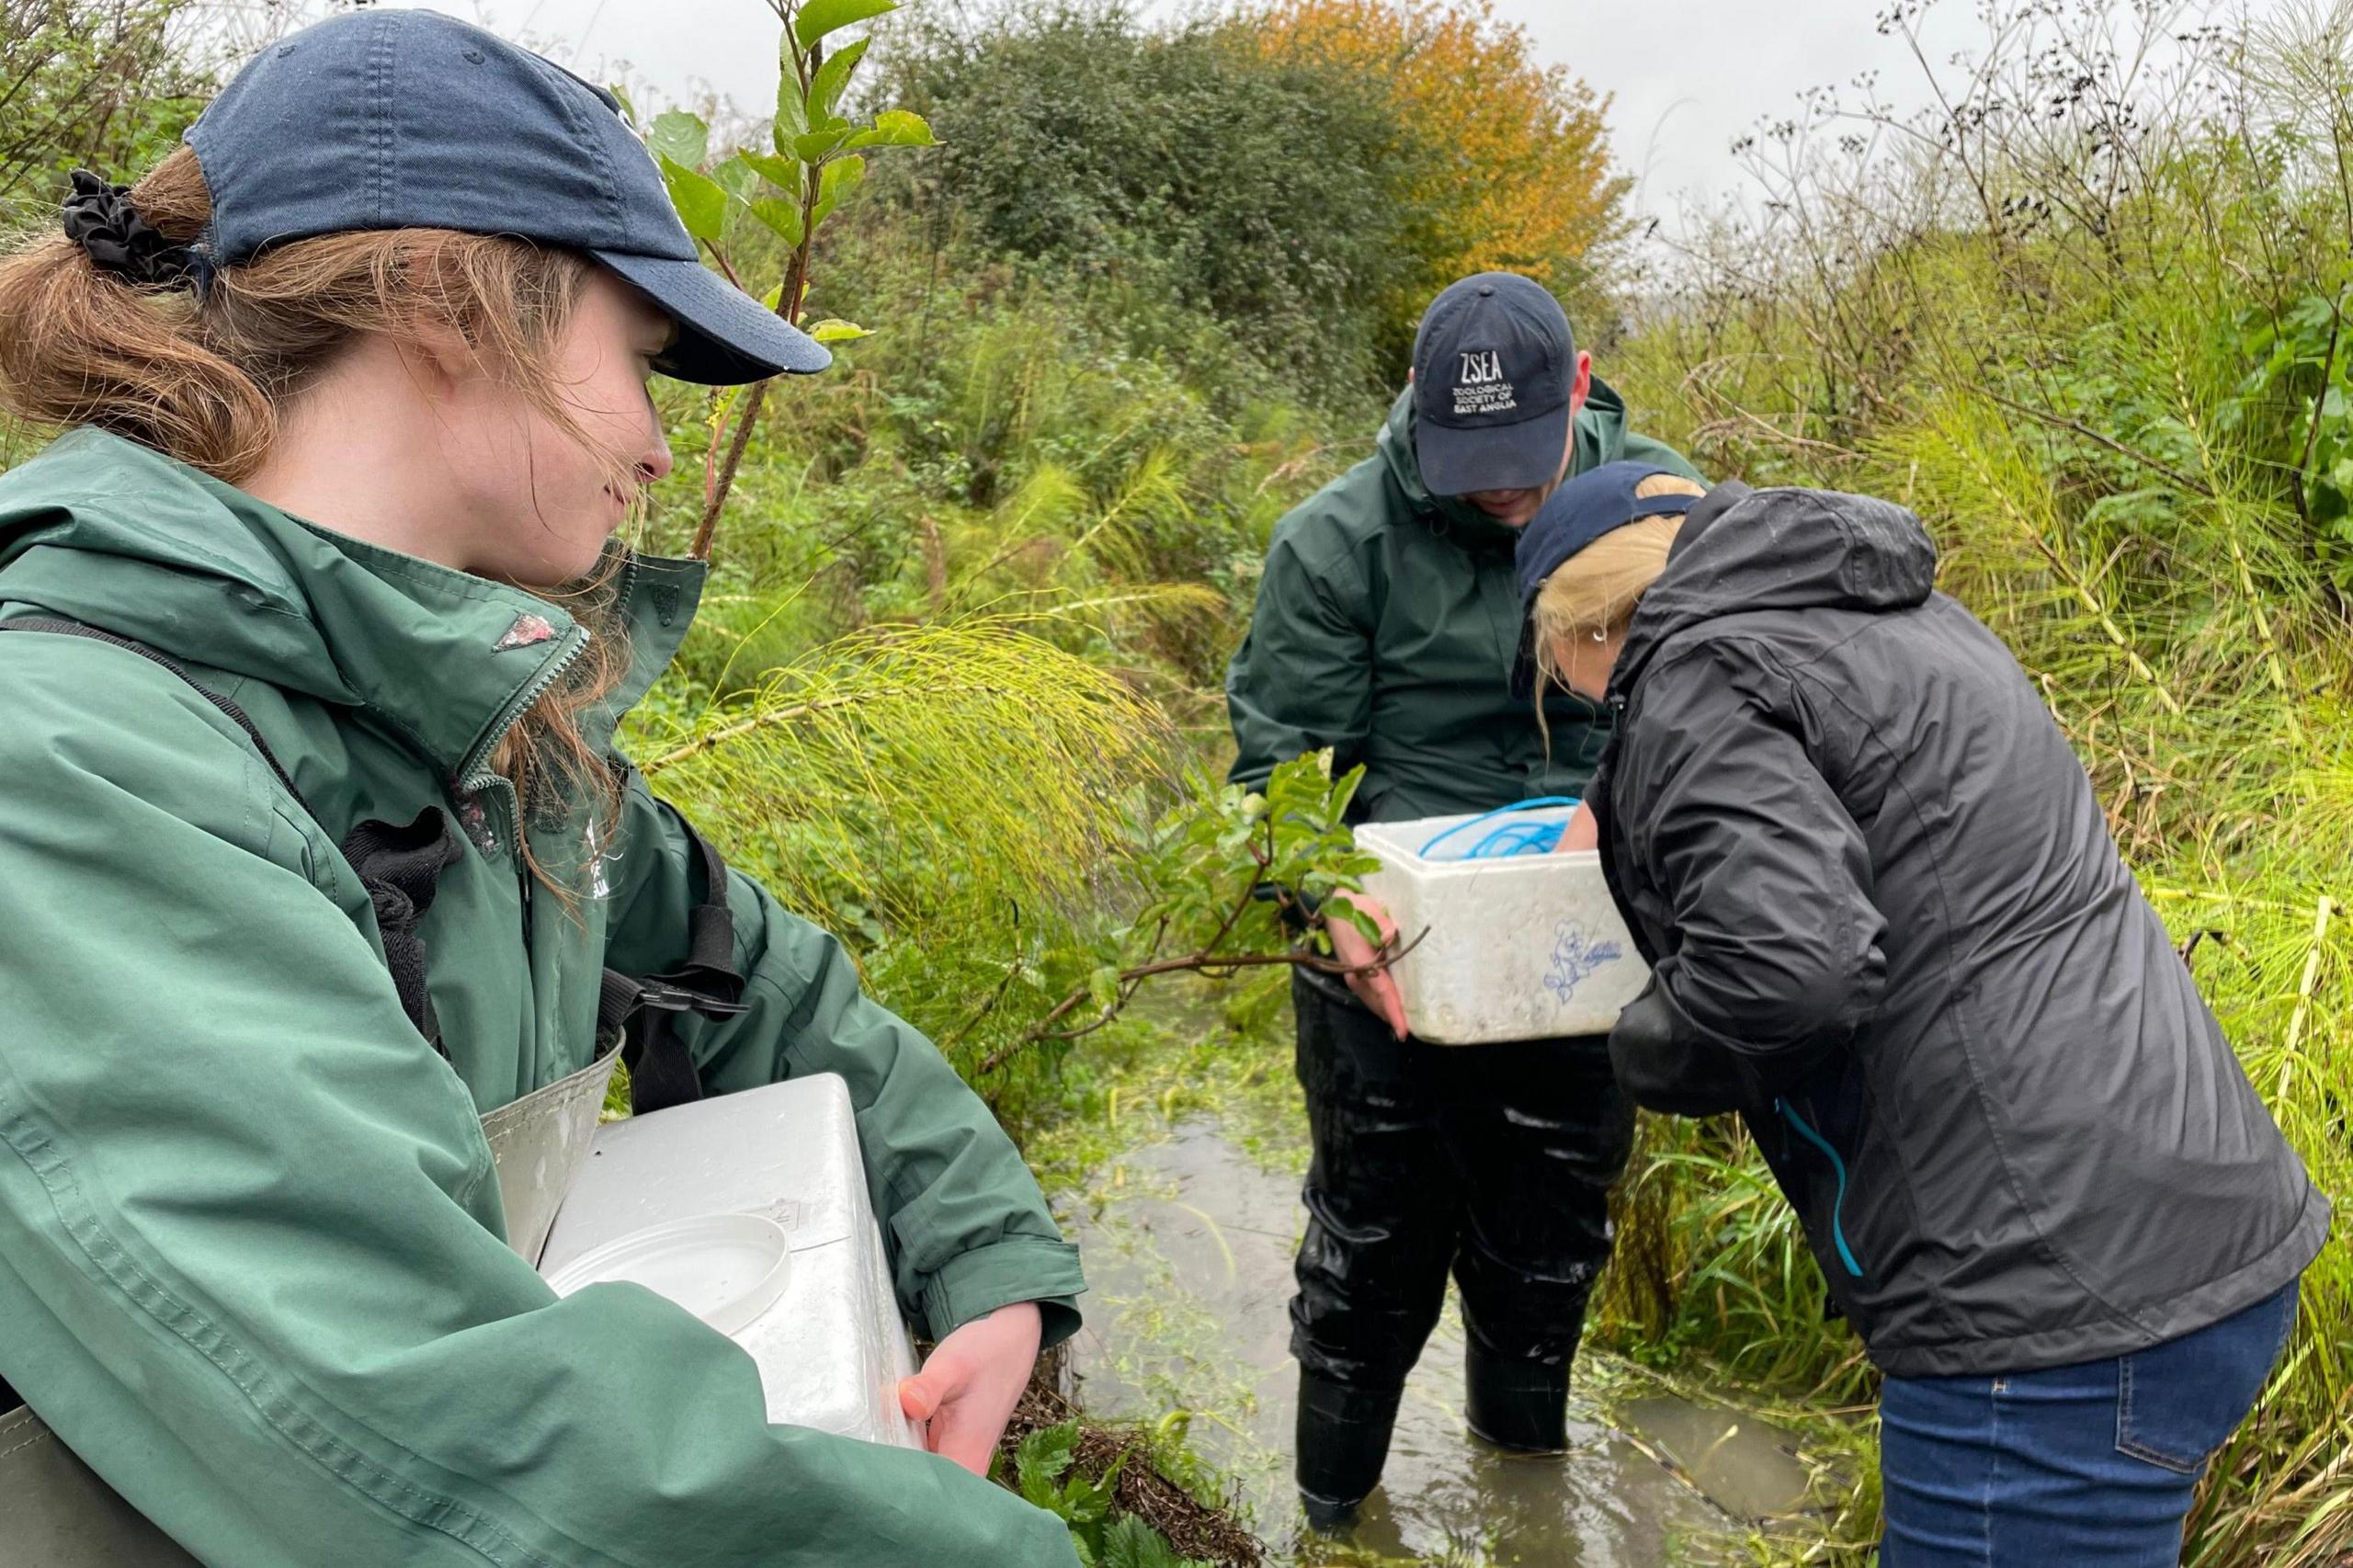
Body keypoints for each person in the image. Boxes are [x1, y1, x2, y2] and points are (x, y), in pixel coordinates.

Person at [0, 12, 1086, 1565]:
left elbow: (753, 980)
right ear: (448, 302)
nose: (656, 445)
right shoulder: (68, 767)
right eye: (639, 360)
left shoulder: (492, 735)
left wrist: (981, 1252)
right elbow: (429, 1442)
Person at [1516, 462, 2329, 1565]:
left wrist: (1645, 1045)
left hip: (2037, 1308)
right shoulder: (1893, 614)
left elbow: (1789, 969)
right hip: (2198, 1232)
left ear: (1576, 629)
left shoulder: (1691, 679)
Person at [1222, 271, 1703, 1528]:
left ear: (1581, 389)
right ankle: (1334, 1524)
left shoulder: (1665, 510)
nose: (1499, 486)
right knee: (1367, 1261)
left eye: (1523, 455)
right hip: (1390, 952)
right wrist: (1322, 891)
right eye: (1468, 459)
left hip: (1582, 950)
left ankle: (1525, 1510)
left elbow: (1729, 709)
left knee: (1546, 1260)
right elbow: (1278, 769)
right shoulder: (1336, 542)